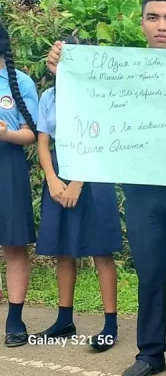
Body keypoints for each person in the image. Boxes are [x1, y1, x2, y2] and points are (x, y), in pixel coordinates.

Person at [47, 0, 166, 376]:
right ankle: (150, 355)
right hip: (142, 190)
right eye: (153, 17)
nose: (161, 26)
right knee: (150, 273)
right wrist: (65, 70)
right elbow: (87, 101)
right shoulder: (120, 68)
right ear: (141, 22)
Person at [36, 36, 123, 352]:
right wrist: (53, 179)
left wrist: (78, 182)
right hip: (59, 171)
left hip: (94, 173)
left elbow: (103, 142)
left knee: (101, 251)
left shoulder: (98, 94)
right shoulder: (50, 95)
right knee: (63, 250)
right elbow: (44, 142)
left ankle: (110, 325)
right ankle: (64, 320)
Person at [0, 22, 38, 347]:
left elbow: (32, 134)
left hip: (7, 163)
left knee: (13, 244)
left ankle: (14, 319)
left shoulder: (20, 81)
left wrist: (6, 134)